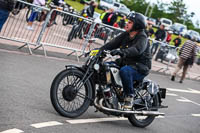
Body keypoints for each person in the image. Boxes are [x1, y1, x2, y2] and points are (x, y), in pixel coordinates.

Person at [100, 12, 151, 109]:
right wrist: (99, 50)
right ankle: (109, 92)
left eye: (130, 22)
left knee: (125, 71)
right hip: (126, 63)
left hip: (140, 67)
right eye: (128, 21)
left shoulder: (142, 37)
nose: (127, 23)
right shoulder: (126, 35)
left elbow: (137, 49)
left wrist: (122, 52)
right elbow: (112, 44)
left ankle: (129, 97)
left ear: (137, 25)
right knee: (105, 66)